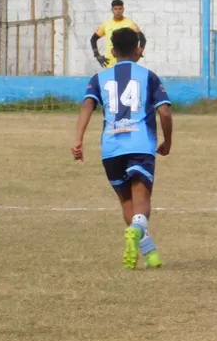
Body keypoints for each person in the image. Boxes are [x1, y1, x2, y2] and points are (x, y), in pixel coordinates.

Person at [73, 27, 173, 270]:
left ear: (113, 51)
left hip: (111, 147)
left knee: (126, 201)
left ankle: (150, 253)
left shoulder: (99, 78)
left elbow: (87, 106)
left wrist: (78, 139)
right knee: (142, 200)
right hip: (140, 144)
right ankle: (137, 230)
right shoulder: (148, 76)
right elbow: (165, 111)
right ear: (138, 50)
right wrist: (168, 141)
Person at [91, 0, 147, 69]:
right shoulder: (106, 24)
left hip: (126, 63)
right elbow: (93, 39)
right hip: (110, 64)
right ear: (112, 10)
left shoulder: (130, 23)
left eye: (120, 9)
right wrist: (97, 55)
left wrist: (139, 51)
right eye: (115, 9)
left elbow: (142, 39)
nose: (118, 11)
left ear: (123, 9)